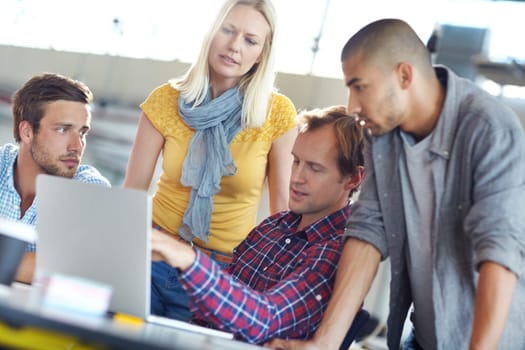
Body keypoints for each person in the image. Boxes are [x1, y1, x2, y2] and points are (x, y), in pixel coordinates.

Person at [267, 18, 525, 350]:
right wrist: (323, 343)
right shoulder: (381, 134)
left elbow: (498, 252)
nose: (353, 106)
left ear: (404, 75)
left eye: (360, 86)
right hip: (422, 338)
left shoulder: (488, 128)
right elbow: (367, 230)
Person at [123, 0, 297, 321]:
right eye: (227, 30)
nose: (234, 46)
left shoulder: (277, 114)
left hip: (220, 277)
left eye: (250, 40)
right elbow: (132, 191)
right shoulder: (166, 100)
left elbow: (283, 213)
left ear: (263, 52)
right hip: (152, 257)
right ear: (210, 33)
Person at [150, 105, 364, 344]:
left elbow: (266, 320)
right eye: (296, 161)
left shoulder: (338, 253)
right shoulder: (272, 227)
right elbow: (207, 313)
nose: (296, 177)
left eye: (314, 168)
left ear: (353, 178)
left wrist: (189, 260)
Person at [0, 73, 110, 284]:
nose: (77, 146)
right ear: (27, 132)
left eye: (83, 132)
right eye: (63, 129)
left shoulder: (90, 189)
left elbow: (69, 267)